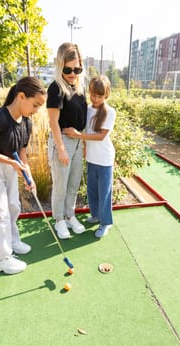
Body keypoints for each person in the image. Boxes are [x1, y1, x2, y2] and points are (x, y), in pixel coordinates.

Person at [0, 76, 46, 274]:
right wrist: (11, 162)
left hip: (10, 166)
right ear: (21, 96)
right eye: (35, 104)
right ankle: (1, 258)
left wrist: (26, 172)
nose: (37, 110)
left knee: (13, 206)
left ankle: (13, 241)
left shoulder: (26, 122)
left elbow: (22, 151)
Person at [63, 75, 116, 238]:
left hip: (105, 159)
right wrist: (85, 147)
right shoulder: (89, 108)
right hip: (92, 158)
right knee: (92, 191)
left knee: (104, 192)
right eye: (93, 94)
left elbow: (100, 136)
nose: (95, 98)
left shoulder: (110, 112)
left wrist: (79, 136)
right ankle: (95, 216)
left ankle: (105, 223)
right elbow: (88, 131)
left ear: (106, 95)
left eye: (99, 96)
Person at [47, 42, 88, 239]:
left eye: (77, 68)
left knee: (73, 183)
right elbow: (53, 122)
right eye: (68, 69)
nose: (73, 73)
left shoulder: (80, 89)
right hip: (61, 141)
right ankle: (59, 220)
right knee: (60, 185)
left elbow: (83, 120)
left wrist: (84, 143)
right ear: (60, 66)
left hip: (78, 143)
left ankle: (70, 216)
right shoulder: (56, 88)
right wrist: (61, 148)